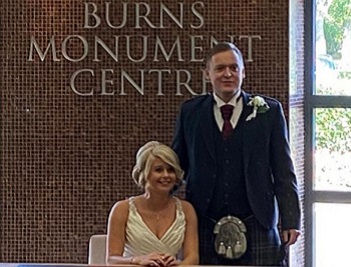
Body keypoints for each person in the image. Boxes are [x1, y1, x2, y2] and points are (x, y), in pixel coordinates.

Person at [172, 42, 301, 266]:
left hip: (258, 220)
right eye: (220, 68)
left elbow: (283, 170)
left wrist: (291, 219)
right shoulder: (190, 112)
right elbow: (176, 166)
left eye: (233, 68)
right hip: (203, 220)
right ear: (207, 74)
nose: (227, 74)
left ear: (243, 72)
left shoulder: (268, 112)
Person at [106, 141, 199, 266]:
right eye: (158, 170)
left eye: (170, 170)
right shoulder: (122, 209)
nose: (166, 175)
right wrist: (137, 260)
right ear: (145, 174)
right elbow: (111, 260)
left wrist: (178, 265)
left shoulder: (186, 210)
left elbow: (193, 258)